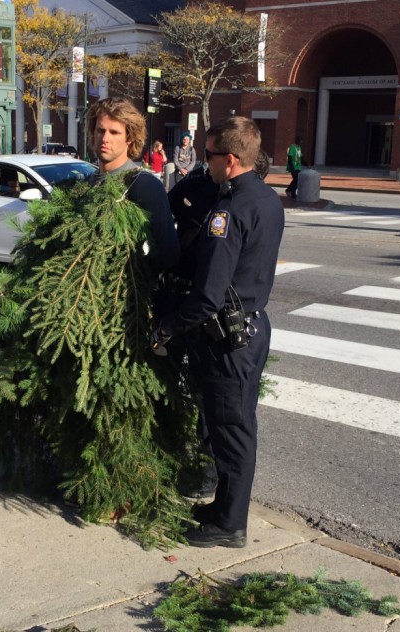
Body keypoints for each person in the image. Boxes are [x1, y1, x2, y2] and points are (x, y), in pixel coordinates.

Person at [153, 116, 284, 548]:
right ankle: (223, 508)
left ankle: (230, 526)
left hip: (226, 339)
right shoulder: (266, 199)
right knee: (236, 424)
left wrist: (166, 328)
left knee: (232, 430)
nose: (203, 164)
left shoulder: (227, 214)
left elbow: (208, 297)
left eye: (208, 156)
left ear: (229, 160)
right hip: (252, 327)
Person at [86, 97, 179, 271]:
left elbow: (168, 253)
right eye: (100, 130)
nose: (105, 138)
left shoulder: (144, 185)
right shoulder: (84, 185)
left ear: (130, 138)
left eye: (114, 132)